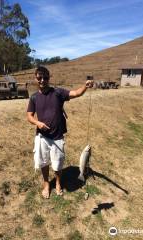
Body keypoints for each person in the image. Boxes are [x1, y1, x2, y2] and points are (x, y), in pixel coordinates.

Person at [27, 66, 93, 199]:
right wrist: (38, 123)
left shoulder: (57, 92)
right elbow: (29, 116)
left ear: (49, 78)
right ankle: (46, 184)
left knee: (57, 165)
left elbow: (75, 93)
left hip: (57, 137)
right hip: (42, 137)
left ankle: (57, 183)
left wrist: (85, 86)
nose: (42, 80)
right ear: (36, 78)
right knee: (44, 163)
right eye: (39, 78)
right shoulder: (34, 97)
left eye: (45, 78)